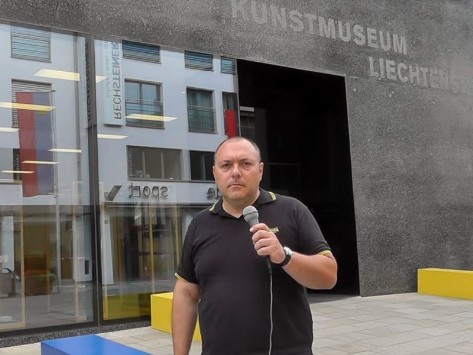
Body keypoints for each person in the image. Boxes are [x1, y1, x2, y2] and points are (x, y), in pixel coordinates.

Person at [172, 136, 337, 355]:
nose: (235, 172)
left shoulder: (292, 211)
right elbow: (186, 292)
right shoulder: (200, 224)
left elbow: (329, 276)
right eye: (226, 165)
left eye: (245, 164)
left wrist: (285, 256)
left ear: (260, 170)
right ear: (215, 173)